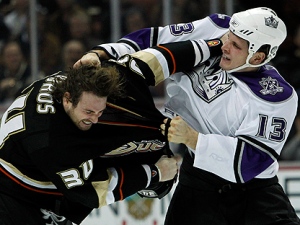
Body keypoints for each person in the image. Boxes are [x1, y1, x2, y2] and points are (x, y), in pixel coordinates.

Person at [80, 7, 300, 225]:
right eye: (228, 38)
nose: (224, 46)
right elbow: (155, 37)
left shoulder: (276, 96)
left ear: (257, 56)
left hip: (254, 198)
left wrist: (193, 138)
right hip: (197, 183)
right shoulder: (215, 28)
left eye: (235, 45)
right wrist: (101, 53)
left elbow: (250, 162)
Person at [0, 49, 188, 224]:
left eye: (100, 111)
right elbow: (93, 192)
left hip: (33, 176)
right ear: (67, 99)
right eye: (89, 111)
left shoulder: (71, 89)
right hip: (14, 193)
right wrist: (154, 173)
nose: (96, 119)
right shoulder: (49, 141)